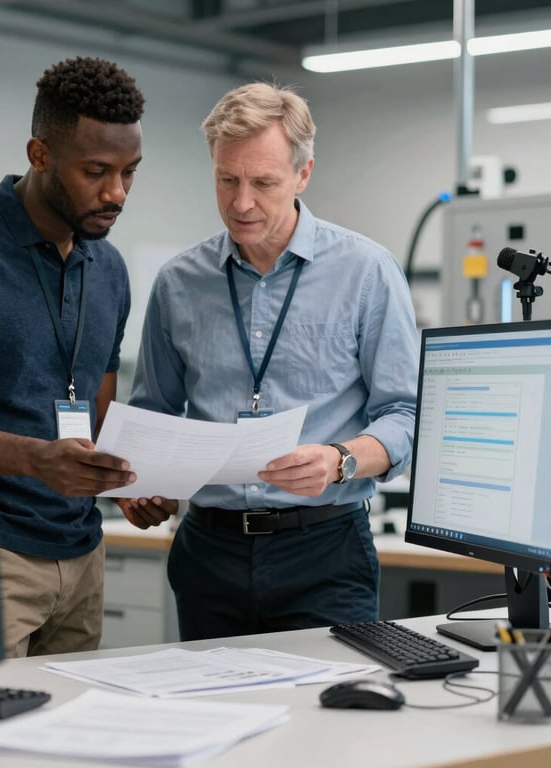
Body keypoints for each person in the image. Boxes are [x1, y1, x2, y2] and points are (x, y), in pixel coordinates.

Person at [0, 56, 176, 664]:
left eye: (130, 173)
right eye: (96, 171)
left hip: (80, 553)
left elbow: (99, 401)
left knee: (68, 750)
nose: (116, 193)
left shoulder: (110, 268)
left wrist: (125, 476)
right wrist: (37, 460)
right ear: (40, 155)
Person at [128, 81, 419, 641]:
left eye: (263, 183)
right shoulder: (178, 284)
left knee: (327, 717)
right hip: (207, 553)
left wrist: (341, 460)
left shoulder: (366, 272)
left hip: (325, 551)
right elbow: (154, 416)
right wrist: (147, 484)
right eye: (226, 179)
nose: (241, 203)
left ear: (303, 175)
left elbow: (407, 413)